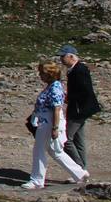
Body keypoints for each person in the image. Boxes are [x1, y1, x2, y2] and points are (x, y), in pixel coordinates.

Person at [23, 60, 90, 190]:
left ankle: (37, 180)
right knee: (56, 151)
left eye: (42, 73)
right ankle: (79, 173)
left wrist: (54, 127)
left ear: (49, 75)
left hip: (48, 122)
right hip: (46, 121)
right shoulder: (53, 86)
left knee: (39, 150)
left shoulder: (54, 88)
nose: (40, 76)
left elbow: (57, 108)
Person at [59, 44, 100, 170]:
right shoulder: (75, 69)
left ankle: (79, 168)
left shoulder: (79, 70)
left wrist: (70, 98)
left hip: (78, 110)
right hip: (80, 109)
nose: (61, 59)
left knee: (66, 140)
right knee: (78, 139)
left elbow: (85, 90)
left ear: (71, 56)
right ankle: (82, 168)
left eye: (63, 56)